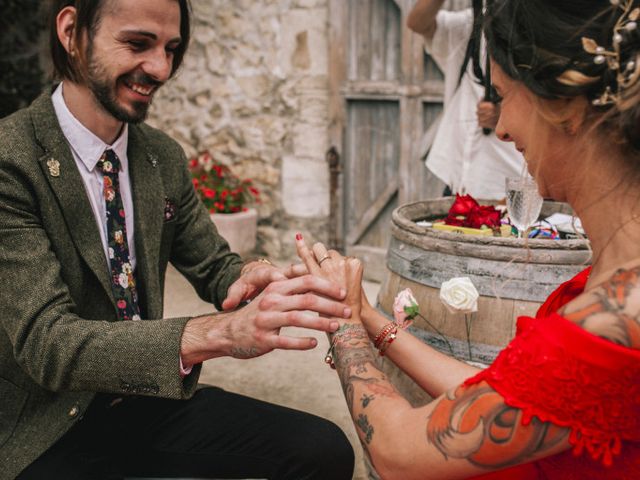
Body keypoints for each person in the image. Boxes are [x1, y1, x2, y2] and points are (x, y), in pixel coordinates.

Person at [0, 1, 356, 479]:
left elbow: (214, 266)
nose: (161, 69)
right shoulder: (12, 158)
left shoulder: (160, 157)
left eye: (172, 49)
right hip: (44, 424)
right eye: (138, 43)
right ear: (72, 32)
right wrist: (217, 334)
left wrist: (254, 278)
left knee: (324, 450)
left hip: (144, 396)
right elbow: (50, 345)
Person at [297, 0, 640, 478]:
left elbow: (397, 453)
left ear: (563, 105)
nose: (499, 127)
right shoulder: (613, 285)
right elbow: (499, 390)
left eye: (504, 95)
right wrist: (368, 317)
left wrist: (341, 325)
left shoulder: (613, 324)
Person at [407, 0, 524, 199]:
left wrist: (508, 117)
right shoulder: (471, 24)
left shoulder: (536, 30)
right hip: (458, 180)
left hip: (509, 185)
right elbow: (417, 23)